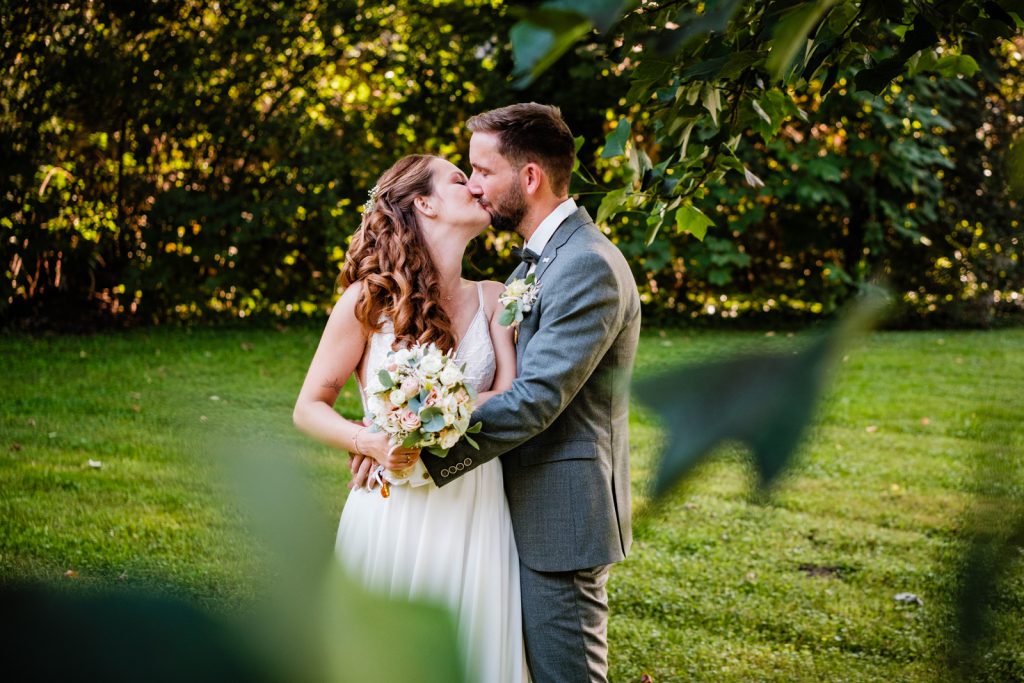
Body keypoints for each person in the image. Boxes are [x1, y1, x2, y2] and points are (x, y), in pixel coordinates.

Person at [351, 104, 642, 682]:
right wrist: (396, 435)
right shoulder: (534, 265)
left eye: (482, 171)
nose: (475, 186)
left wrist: (415, 448)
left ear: (528, 177)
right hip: (510, 510)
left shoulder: (585, 265)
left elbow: (534, 399)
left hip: (560, 516)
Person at [292, 154, 529, 683]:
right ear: (423, 202)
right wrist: (370, 441)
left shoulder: (494, 298)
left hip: (474, 499)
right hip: (392, 501)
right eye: (459, 180)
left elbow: (511, 396)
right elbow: (308, 406)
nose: (476, 188)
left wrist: (445, 412)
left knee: (472, 648)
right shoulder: (368, 301)